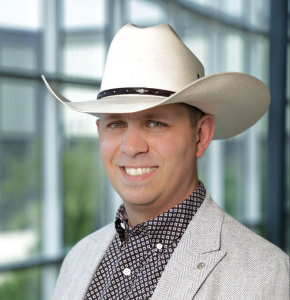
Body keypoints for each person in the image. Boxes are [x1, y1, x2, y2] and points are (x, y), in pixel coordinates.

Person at [42, 24, 289, 300]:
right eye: (116, 124)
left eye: (155, 122)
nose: (132, 147)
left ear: (201, 135)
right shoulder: (78, 259)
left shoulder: (264, 275)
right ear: (100, 133)